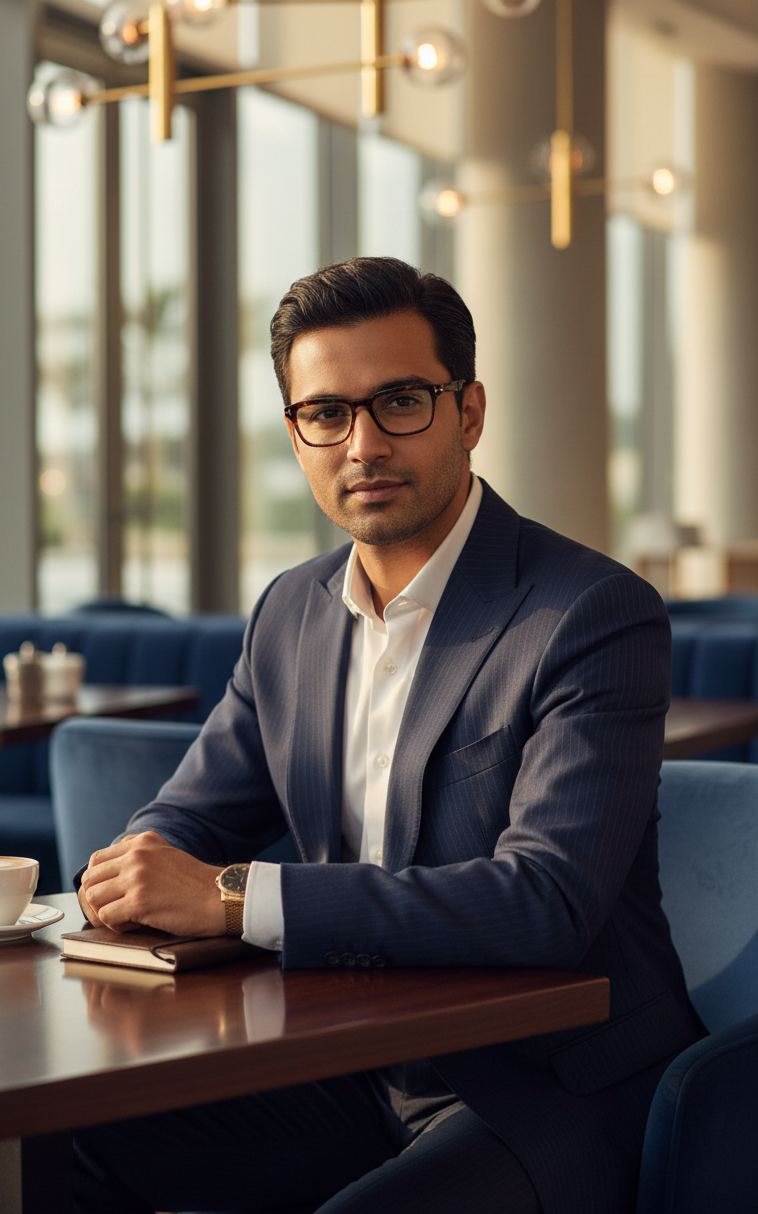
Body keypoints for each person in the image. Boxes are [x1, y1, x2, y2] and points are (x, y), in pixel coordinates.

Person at [74, 257, 704, 1214]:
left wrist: (236, 898)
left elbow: (546, 902)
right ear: (296, 436)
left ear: (469, 413)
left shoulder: (591, 613)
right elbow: (194, 813)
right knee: (67, 1136)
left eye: (400, 400)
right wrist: (137, 865)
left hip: (550, 1087)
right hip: (348, 1060)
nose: (362, 443)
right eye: (325, 413)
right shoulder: (290, 612)